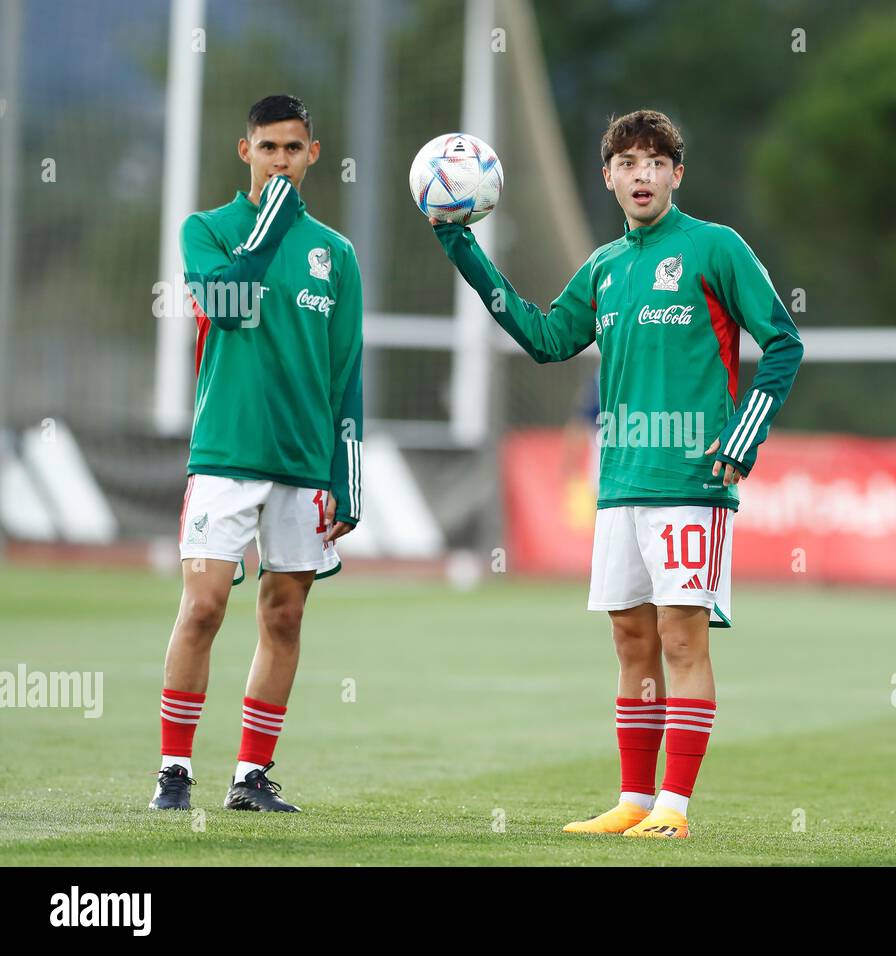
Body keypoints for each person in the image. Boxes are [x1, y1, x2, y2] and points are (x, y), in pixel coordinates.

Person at [429, 110, 803, 838]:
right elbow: (544, 339)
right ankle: (634, 799)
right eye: (627, 162)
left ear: (677, 175)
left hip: (692, 482)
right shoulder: (604, 268)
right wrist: (464, 251)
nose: (642, 174)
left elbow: (783, 344)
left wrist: (743, 436)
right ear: (607, 176)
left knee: (683, 638)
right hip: (620, 485)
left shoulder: (714, 248)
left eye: (656, 162)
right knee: (631, 640)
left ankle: (675, 808)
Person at [148, 94, 364, 814]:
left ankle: (250, 777)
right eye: (267, 147)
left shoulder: (335, 253)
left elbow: (346, 370)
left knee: (283, 618)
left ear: (313, 154)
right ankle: (173, 772)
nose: (280, 160)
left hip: (304, 464)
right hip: (226, 454)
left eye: (292, 149)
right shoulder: (205, 230)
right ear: (245, 151)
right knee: (205, 604)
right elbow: (228, 301)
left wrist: (347, 475)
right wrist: (270, 224)